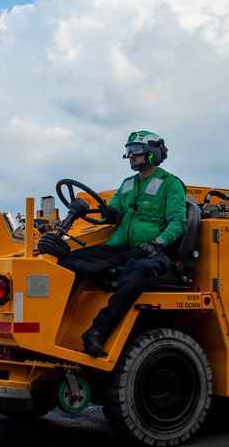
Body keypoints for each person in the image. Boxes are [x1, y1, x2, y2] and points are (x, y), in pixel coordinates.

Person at [45, 131, 187, 357]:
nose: (130, 156)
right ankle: (48, 320)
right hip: (120, 247)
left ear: (153, 153)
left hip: (152, 251)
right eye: (128, 150)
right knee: (70, 262)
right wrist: (110, 213)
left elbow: (179, 222)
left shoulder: (170, 184)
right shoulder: (127, 184)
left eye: (136, 151)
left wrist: (157, 243)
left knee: (138, 272)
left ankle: (98, 331)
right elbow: (115, 212)